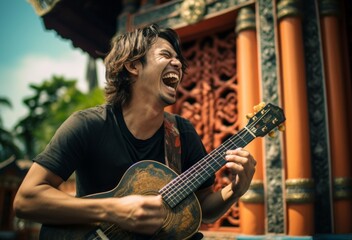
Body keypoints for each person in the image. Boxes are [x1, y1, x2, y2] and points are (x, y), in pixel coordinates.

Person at [13, 24, 256, 239]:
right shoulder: (88, 124)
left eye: (179, 59)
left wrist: (234, 191)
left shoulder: (182, 132)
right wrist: (114, 211)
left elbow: (204, 208)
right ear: (133, 65)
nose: (179, 63)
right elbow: (27, 200)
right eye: (165, 54)